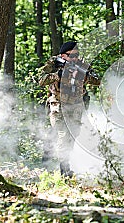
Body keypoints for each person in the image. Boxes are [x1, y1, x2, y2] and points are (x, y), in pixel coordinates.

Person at [39, 41, 99, 177]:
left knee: (72, 135)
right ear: (62, 55)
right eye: (70, 56)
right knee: (62, 134)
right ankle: (64, 169)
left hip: (76, 105)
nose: (74, 58)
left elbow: (98, 80)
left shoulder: (83, 65)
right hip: (58, 104)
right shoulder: (53, 63)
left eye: (76, 55)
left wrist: (84, 77)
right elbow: (41, 80)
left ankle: (54, 158)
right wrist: (57, 75)